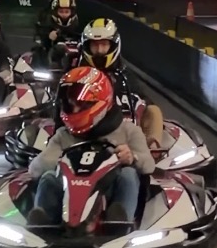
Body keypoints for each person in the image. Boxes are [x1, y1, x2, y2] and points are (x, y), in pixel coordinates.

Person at [25, 65, 155, 228]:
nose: (75, 110)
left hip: (107, 194)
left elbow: (149, 165)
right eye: (70, 104)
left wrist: (132, 157)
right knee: (49, 177)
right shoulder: (63, 135)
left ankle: (119, 223)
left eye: (82, 104)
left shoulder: (128, 131)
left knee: (128, 174)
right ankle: (42, 226)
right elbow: (35, 169)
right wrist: (59, 161)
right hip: (68, 194)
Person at [80, 15, 165, 151]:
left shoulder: (125, 74)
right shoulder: (78, 73)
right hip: (88, 133)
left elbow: (143, 99)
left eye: (104, 44)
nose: (100, 50)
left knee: (153, 111)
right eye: (95, 45)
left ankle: (152, 149)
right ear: (87, 46)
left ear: (113, 45)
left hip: (124, 131)